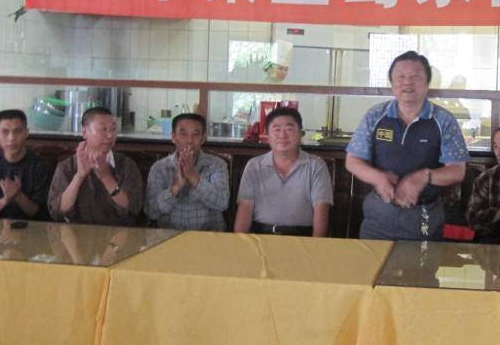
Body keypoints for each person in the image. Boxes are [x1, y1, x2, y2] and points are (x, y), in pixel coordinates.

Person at [346, 50, 470, 240]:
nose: (407, 82)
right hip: (379, 213)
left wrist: (423, 177)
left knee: (422, 260)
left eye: (415, 76)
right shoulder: (375, 115)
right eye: (400, 76)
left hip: (424, 214)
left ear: (427, 83)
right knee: (373, 259)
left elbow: (457, 171)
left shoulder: (444, 120)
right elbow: (352, 160)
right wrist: (378, 178)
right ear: (392, 83)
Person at [234, 106, 333, 237]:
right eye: (276, 129)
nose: (282, 135)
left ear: (300, 134)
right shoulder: (254, 166)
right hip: (261, 237)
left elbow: (321, 209)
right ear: (267, 136)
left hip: (303, 238)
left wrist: (315, 246)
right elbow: (245, 208)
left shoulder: (316, 166)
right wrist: (240, 242)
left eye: (289, 129)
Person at [48, 107, 144, 226]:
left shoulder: (126, 165)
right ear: (85, 132)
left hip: (118, 233)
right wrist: (79, 176)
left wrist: (106, 177)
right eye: (103, 129)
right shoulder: (67, 166)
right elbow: (57, 212)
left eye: (113, 129)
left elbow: (132, 208)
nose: (110, 135)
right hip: (76, 233)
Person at [145, 113, 230, 231]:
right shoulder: (159, 168)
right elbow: (152, 211)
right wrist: (177, 187)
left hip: (208, 236)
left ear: (203, 138)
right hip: (169, 236)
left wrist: (193, 176)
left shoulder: (217, 165)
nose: (189, 140)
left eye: (196, 134)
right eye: (183, 133)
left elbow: (223, 203)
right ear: (173, 137)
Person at [0, 109, 53, 221]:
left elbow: (41, 212)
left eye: (18, 131)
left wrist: (18, 196)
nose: (11, 138)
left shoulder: (41, 167)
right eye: (5, 132)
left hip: (32, 227)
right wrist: (5, 200)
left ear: (26, 133)